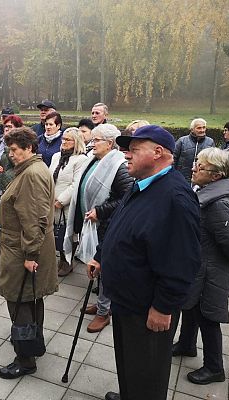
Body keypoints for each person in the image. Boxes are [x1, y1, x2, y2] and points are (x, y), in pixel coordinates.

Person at [89, 125, 201, 400]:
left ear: (158, 152)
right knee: (129, 363)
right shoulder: (142, 185)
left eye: (134, 150)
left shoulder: (175, 198)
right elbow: (121, 224)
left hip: (147, 307)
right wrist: (102, 255)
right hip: (126, 300)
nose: (126, 155)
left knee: (147, 373)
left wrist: (163, 306)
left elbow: (182, 261)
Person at [173, 147, 229, 385]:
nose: (194, 168)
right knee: (191, 307)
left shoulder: (219, 204)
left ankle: (215, 368)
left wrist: (217, 264)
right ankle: (186, 344)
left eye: (200, 166)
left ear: (216, 176)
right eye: (196, 162)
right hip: (199, 266)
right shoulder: (205, 191)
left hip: (210, 271)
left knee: (208, 317)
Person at [0, 127, 57, 379]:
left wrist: (31, 255)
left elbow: (33, 220)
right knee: (31, 298)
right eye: (9, 149)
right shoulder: (32, 170)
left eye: (14, 150)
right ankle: (33, 343)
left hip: (22, 249)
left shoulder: (31, 174)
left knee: (19, 300)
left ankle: (25, 359)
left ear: (29, 148)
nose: (10, 154)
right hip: (23, 246)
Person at [63, 124, 132, 333]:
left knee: (106, 269)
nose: (92, 143)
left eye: (97, 140)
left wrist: (100, 211)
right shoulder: (96, 159)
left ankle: (104, 313)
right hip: (93, 224)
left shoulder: (119, 166)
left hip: (107, 225)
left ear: (110, 143)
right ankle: (104, 305)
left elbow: (126, 198)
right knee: (99, 269)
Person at [48, 127, 88, 276]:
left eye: (68, 140)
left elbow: (76, 184)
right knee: (54, 232)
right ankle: (57, 260)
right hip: (51, 201)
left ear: (76, 142)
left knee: (67, 233)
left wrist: (61, 200)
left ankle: (67, 262)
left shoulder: (81, 159)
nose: (64, 142)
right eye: (63, 139)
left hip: (66, 205)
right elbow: (49, 176)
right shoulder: (56, 156)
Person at [0, 115, 23, 233]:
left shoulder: (20, 144)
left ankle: (6, 244)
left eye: (10, 126)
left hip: (9, 186)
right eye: (5, 126)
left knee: (8, 218)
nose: (6, 129)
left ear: (17, 128)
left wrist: (9, 144)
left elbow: (17, 162)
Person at [173, 118, 215, 184]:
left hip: (200, 181)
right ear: (192, 129)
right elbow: (173, 159)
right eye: (199, 128)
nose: (202, 130)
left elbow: (212, 162)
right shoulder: (182, 141)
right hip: (182, 179)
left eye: (204, 127)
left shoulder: (210, 142)